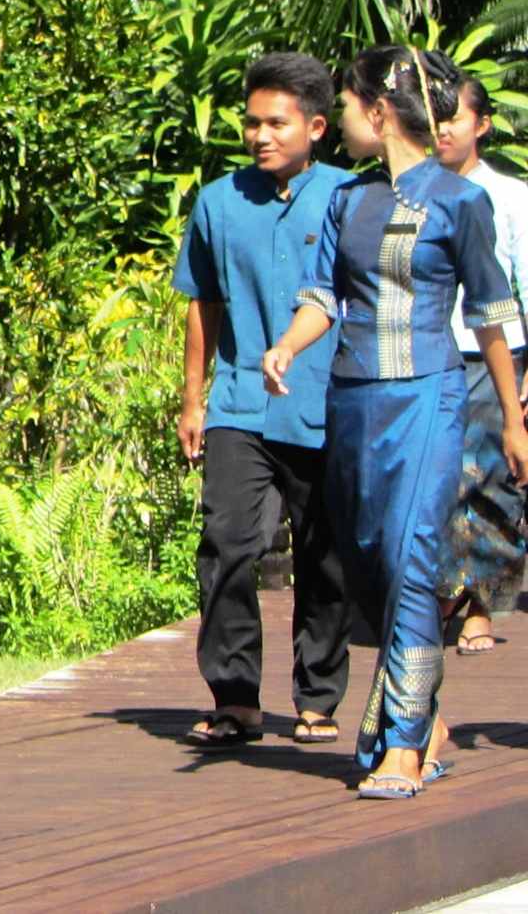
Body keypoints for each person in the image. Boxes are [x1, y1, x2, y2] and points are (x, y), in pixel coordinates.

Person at [263, 47, 528, 799]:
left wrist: (513, 419)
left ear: (379, 113)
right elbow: (322, 297)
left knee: (412, 559)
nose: (341, 118)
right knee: (369, 564)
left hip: (430, 399)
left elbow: (493, 315)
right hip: (352, 401)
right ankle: (426, 715)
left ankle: (404, 747)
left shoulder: (459, 201)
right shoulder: (347, 200)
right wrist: (287, 346)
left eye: (347, 105)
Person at [172, 53, 354, 747]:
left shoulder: (348, 197)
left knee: (323, 553)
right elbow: (201, 303)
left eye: (277, 123)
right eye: (252, 123)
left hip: (324, 405)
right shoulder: (218, 201)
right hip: (238, 402)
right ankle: (235, 696)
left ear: (316, 127)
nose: (260, 136)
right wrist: (193, 400)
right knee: (226, 542)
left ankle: (319, 698)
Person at [434, 74, 528, 655]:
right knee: (441, 481)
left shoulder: (511, 196)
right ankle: (443, 592)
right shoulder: (413, 192)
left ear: (483, 124)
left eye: (455, 117)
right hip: (431, 357)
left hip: (496, 357)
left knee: (493, 483)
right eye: (435, 117)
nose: (442, 129)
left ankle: (482, 606)